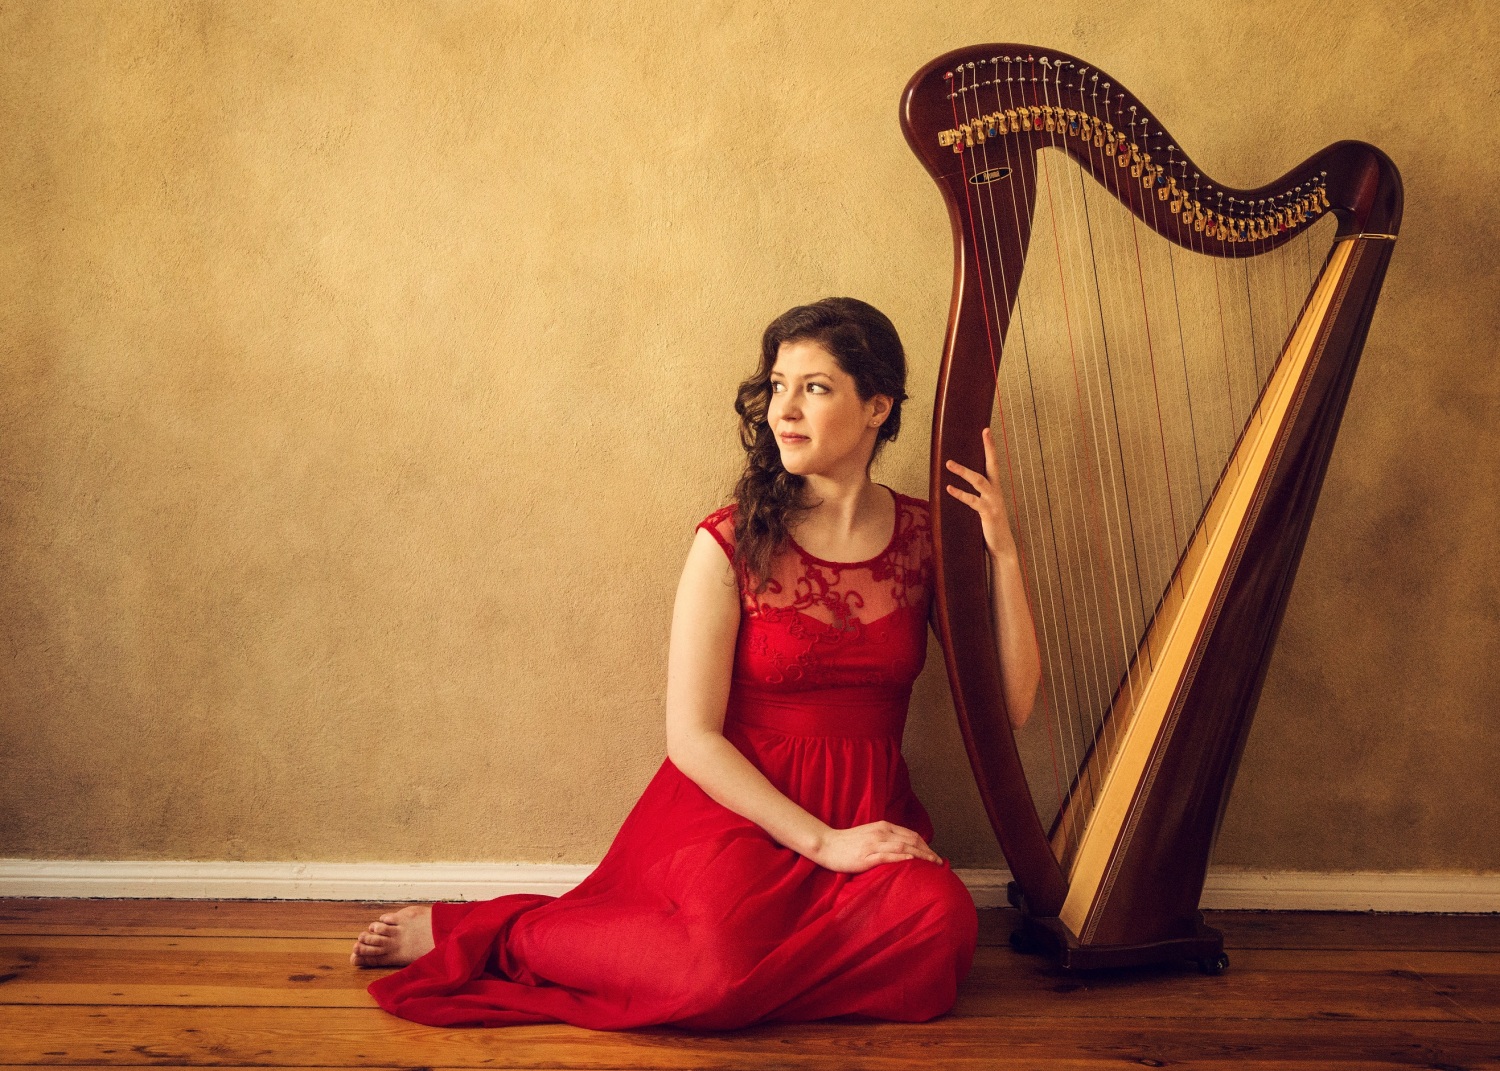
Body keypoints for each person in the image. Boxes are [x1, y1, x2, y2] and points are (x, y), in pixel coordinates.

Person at [350, 296, 1041, 1029]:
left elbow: (1015, 704)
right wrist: (823, 843)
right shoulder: (730, 541)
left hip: (866, 814)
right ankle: (493, 929)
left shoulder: (924, 540)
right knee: (713, 970)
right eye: (778, 386)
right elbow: (691, 737)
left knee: (942, 932)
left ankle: (755, 979)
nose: (785, 411)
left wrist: (1004, 553)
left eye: (814, 387)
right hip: (735, 814)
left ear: (878, 406)